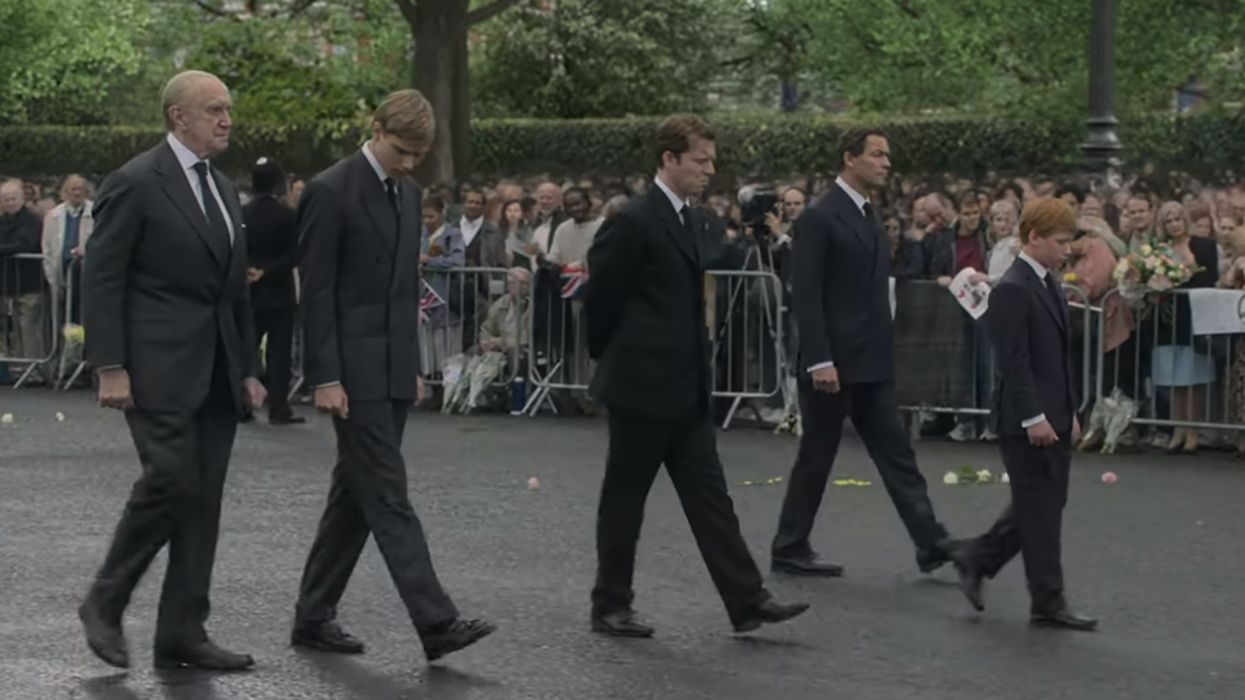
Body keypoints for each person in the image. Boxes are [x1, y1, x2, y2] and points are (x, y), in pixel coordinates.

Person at [585, 115, 808, 637]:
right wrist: (611, 356)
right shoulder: (635, 219)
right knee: (625, 500)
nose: (710, 169)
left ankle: (747, 600)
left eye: (712, 159)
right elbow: (602, 295)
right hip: (641, 385)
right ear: (669, 159)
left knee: (711, 500)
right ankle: (610, 603)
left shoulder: (695, 218)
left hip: (685, 386)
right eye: (700, 160)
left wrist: (764, 234)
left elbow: (726, 256)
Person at [293, 89, 494, 663]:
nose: (409, 163)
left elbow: (405, 289)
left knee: (355, 496)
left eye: (418, 155)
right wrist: (325, 376)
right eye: (402, 149)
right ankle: (436, 622)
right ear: (376, 129)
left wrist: (414, 368)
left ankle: (312, 615)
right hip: (352, 373)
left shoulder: (408, 194)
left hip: (393, 368)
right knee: (386, 491)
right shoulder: (330, 190)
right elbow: (318, 293)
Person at [78, 70, 266, 671]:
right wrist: (110, 365)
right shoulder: (136, 182)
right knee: (172, 480)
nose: (226, 119)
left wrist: (249, 366)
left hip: (216, 368)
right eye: (214, 109)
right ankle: (105, 599)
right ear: (176, 117)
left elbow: (233, 288)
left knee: (203, 498)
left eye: (228, 109)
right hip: (155, 365)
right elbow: (102, 277)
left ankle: (182, 630)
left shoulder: (222, 185)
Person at [771, 128, 953, 577]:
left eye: (887, 155)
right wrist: (819, 359)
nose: (886, 162)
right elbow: (807, 294)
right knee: (817, 457)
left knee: (897, 455)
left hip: (870, 361)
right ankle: (789, 546)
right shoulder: (819, 217)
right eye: (877, 154)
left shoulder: (869, 214)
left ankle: (931, 543)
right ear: (849, 159)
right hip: (831, 363)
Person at [949, 197, 1097, 632]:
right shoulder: (1014, 287)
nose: (1067, 249)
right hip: (1026, 419)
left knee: (1042, 505)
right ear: (1034, 238)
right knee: (1042, 510)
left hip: (1051, 413)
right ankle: (1048, 601)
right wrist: (1034, 417)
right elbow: (1013, 362)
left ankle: (977, 557)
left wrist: (1067, 411)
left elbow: (1054, 358)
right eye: (1060, 240)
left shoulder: (1044, 281)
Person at [243, 157, 304, 425]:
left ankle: (241, 403)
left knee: (247, 350)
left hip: (250, 292)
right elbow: (295, 253)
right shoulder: (288, 215)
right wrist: (269, 270)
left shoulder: (241, 213)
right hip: (279, 292)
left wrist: (249, 269)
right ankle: (279, 407)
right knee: (279, 353)